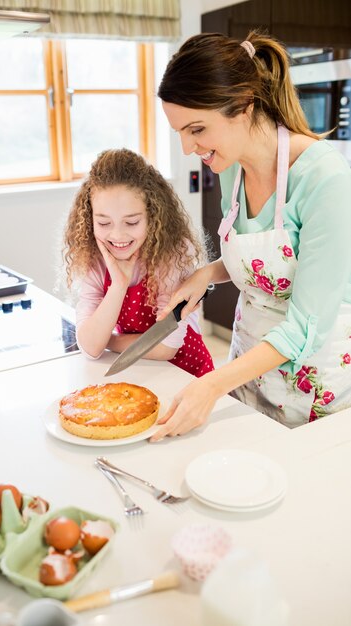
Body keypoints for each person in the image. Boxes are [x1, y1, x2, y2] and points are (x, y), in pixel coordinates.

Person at [150, 30, 351, 441]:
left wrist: (212, 382)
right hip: (248, 371)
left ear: (243, 106)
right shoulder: (231, 169)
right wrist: (207, 274)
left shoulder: (325, 180)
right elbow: (265, 264)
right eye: (180, 133)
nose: (189, 147)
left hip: (311, 385)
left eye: (197, 129)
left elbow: (305, 325)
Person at [64, 148, 214, 377]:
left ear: (153, 216)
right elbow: (90, 348)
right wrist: (118, 285)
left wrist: (110, 340)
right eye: (104, 223)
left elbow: (166, 347)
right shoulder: (95, 259)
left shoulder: (172, 253)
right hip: (137, 370)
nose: (118, 235)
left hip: (185, 373)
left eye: (131, 222)